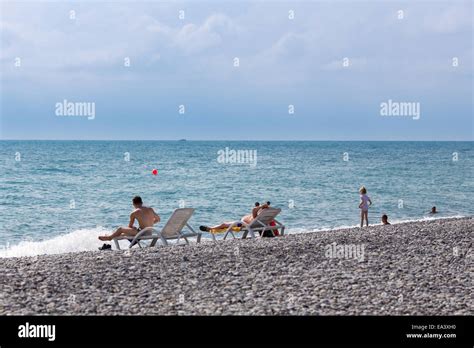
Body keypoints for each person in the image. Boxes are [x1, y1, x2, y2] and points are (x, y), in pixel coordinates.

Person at [199, 201, 271, 232]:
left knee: (224, 224)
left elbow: (254, 209)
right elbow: (256, 209)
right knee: (225, 225)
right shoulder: (258, 217)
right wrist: (262, 206)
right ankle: (211, 228)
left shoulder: (255, 216)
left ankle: (210, 229)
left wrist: (262, 206)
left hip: (241, 224)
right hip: (242, 223)